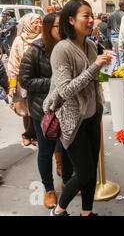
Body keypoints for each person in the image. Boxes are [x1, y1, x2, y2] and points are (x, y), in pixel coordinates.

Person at [43, 0, 111, 216]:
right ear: (71, 20)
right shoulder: (62, 49)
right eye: (86, 16)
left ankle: (86, 213)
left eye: (92, 16)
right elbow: (64, 90)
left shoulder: (90, 45)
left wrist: (107, 68)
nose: (91, 20)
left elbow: (93, 77)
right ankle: (59, 211)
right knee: (85, 172)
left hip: (92, 114)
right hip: (72, 119)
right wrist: (95, 67)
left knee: (91, 172)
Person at [18, 12, 74, 209]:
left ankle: (67, 181)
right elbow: (24, 80)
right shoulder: (35, 50)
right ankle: (49, 189)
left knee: (66, 148)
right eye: (59, 26)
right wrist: (54, 84)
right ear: (48, 28)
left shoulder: (69, 46)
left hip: (66, 108)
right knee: (46, 151)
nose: (64, 30)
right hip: (44, 111)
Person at [8, 13, 42, 147]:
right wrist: (12, 85)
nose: (39, 25)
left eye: (40, 22)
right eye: (36, 22)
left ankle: (35, 136)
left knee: (36, 110)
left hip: (39, 80)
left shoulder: (44, 39)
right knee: (25, 110)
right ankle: (28, 134)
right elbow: (12, 64)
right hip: (23, 81)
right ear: (28, 24)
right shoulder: (19, 40)